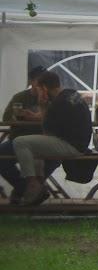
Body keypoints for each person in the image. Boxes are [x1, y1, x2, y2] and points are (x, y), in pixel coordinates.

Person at [0, 70, 92, 206]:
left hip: (69, 146)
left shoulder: (58, 103)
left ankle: (32, 186)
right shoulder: (71, 94)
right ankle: (28, 189)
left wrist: (42, 105)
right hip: (79, 144)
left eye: (40, 89)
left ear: (44, 88)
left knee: (21, 143)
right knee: (32, 153)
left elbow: (47, 132)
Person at [2, 66, 46, 137]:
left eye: (45, 81)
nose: (43, 84)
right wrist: (17, 116)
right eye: (39, 81)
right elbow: (6, 118)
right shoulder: (20, 97)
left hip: (41, 138)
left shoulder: (50, 97)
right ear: (31, 81)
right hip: (20, 135)